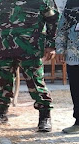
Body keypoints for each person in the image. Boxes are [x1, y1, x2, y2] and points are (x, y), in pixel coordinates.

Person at [0, 0, 59, 132]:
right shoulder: (1, 2)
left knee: (36, 82)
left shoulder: (42, 1)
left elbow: (53, 20)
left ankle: (44, 117)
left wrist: (51, 44)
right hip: (5, 48)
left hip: (31, 49)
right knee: (3, 82)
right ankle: (1, 113)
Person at [55, 0, 79, 134]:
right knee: (76, 90)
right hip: (74, 56)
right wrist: (60, 49)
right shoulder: (71, 4)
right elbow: (62, 28)